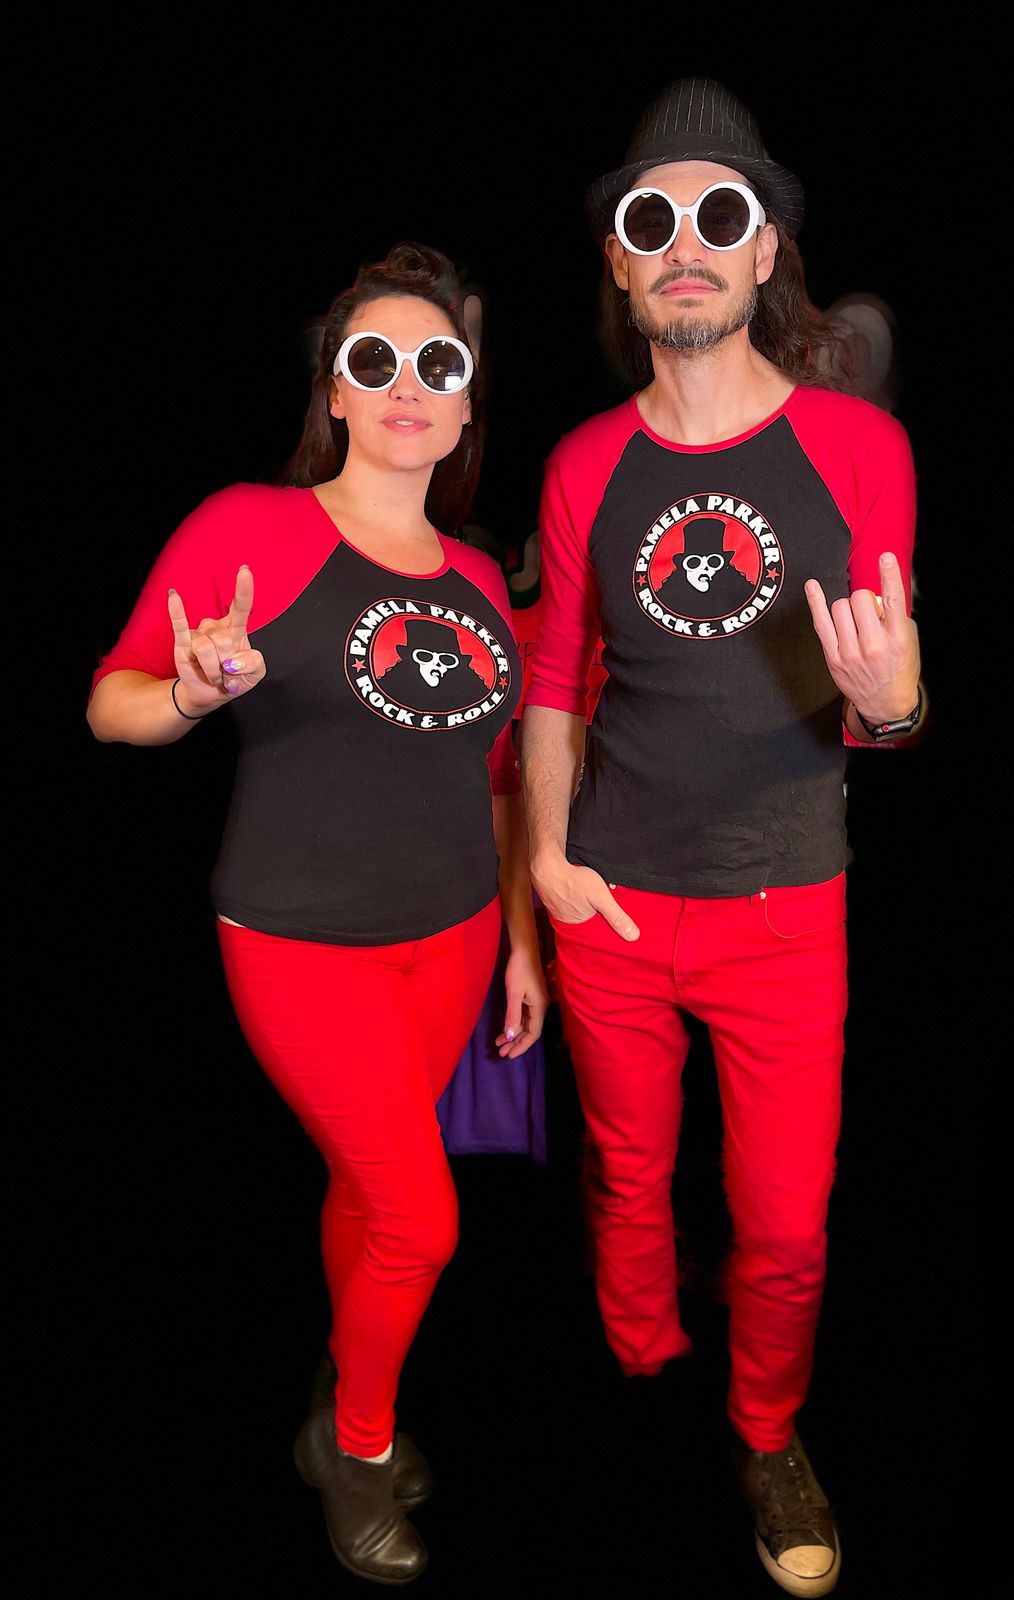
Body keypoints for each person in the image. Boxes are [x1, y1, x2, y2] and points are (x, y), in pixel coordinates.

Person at [87, 242, 547, 1587]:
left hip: (453, 940)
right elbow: (110, 704)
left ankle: (344, 1393)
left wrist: (521, 942)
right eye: (374, 360)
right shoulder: (252, 528)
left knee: (370, 1190)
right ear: (336, 391)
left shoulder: (478, 582)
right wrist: (191, 693)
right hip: (300, 948)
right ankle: (353, 1447)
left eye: (436, 364)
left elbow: (497, 779)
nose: (407, 384)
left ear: (464, 405)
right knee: (423, 1220)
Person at [519, 78, 925, 1598]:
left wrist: (896, 704)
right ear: (622, 266)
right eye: (653, 219)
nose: (685, 243)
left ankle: (766, 1433)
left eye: (720, 215)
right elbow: (552, 684)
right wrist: (550, 868)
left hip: (783, 913)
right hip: (613, 907)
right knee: (626, 1179)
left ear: (765, 252)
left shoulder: (856, 447)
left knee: (786, 1227)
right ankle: (640, 1363)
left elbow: (891, 697)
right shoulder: (582, 465)